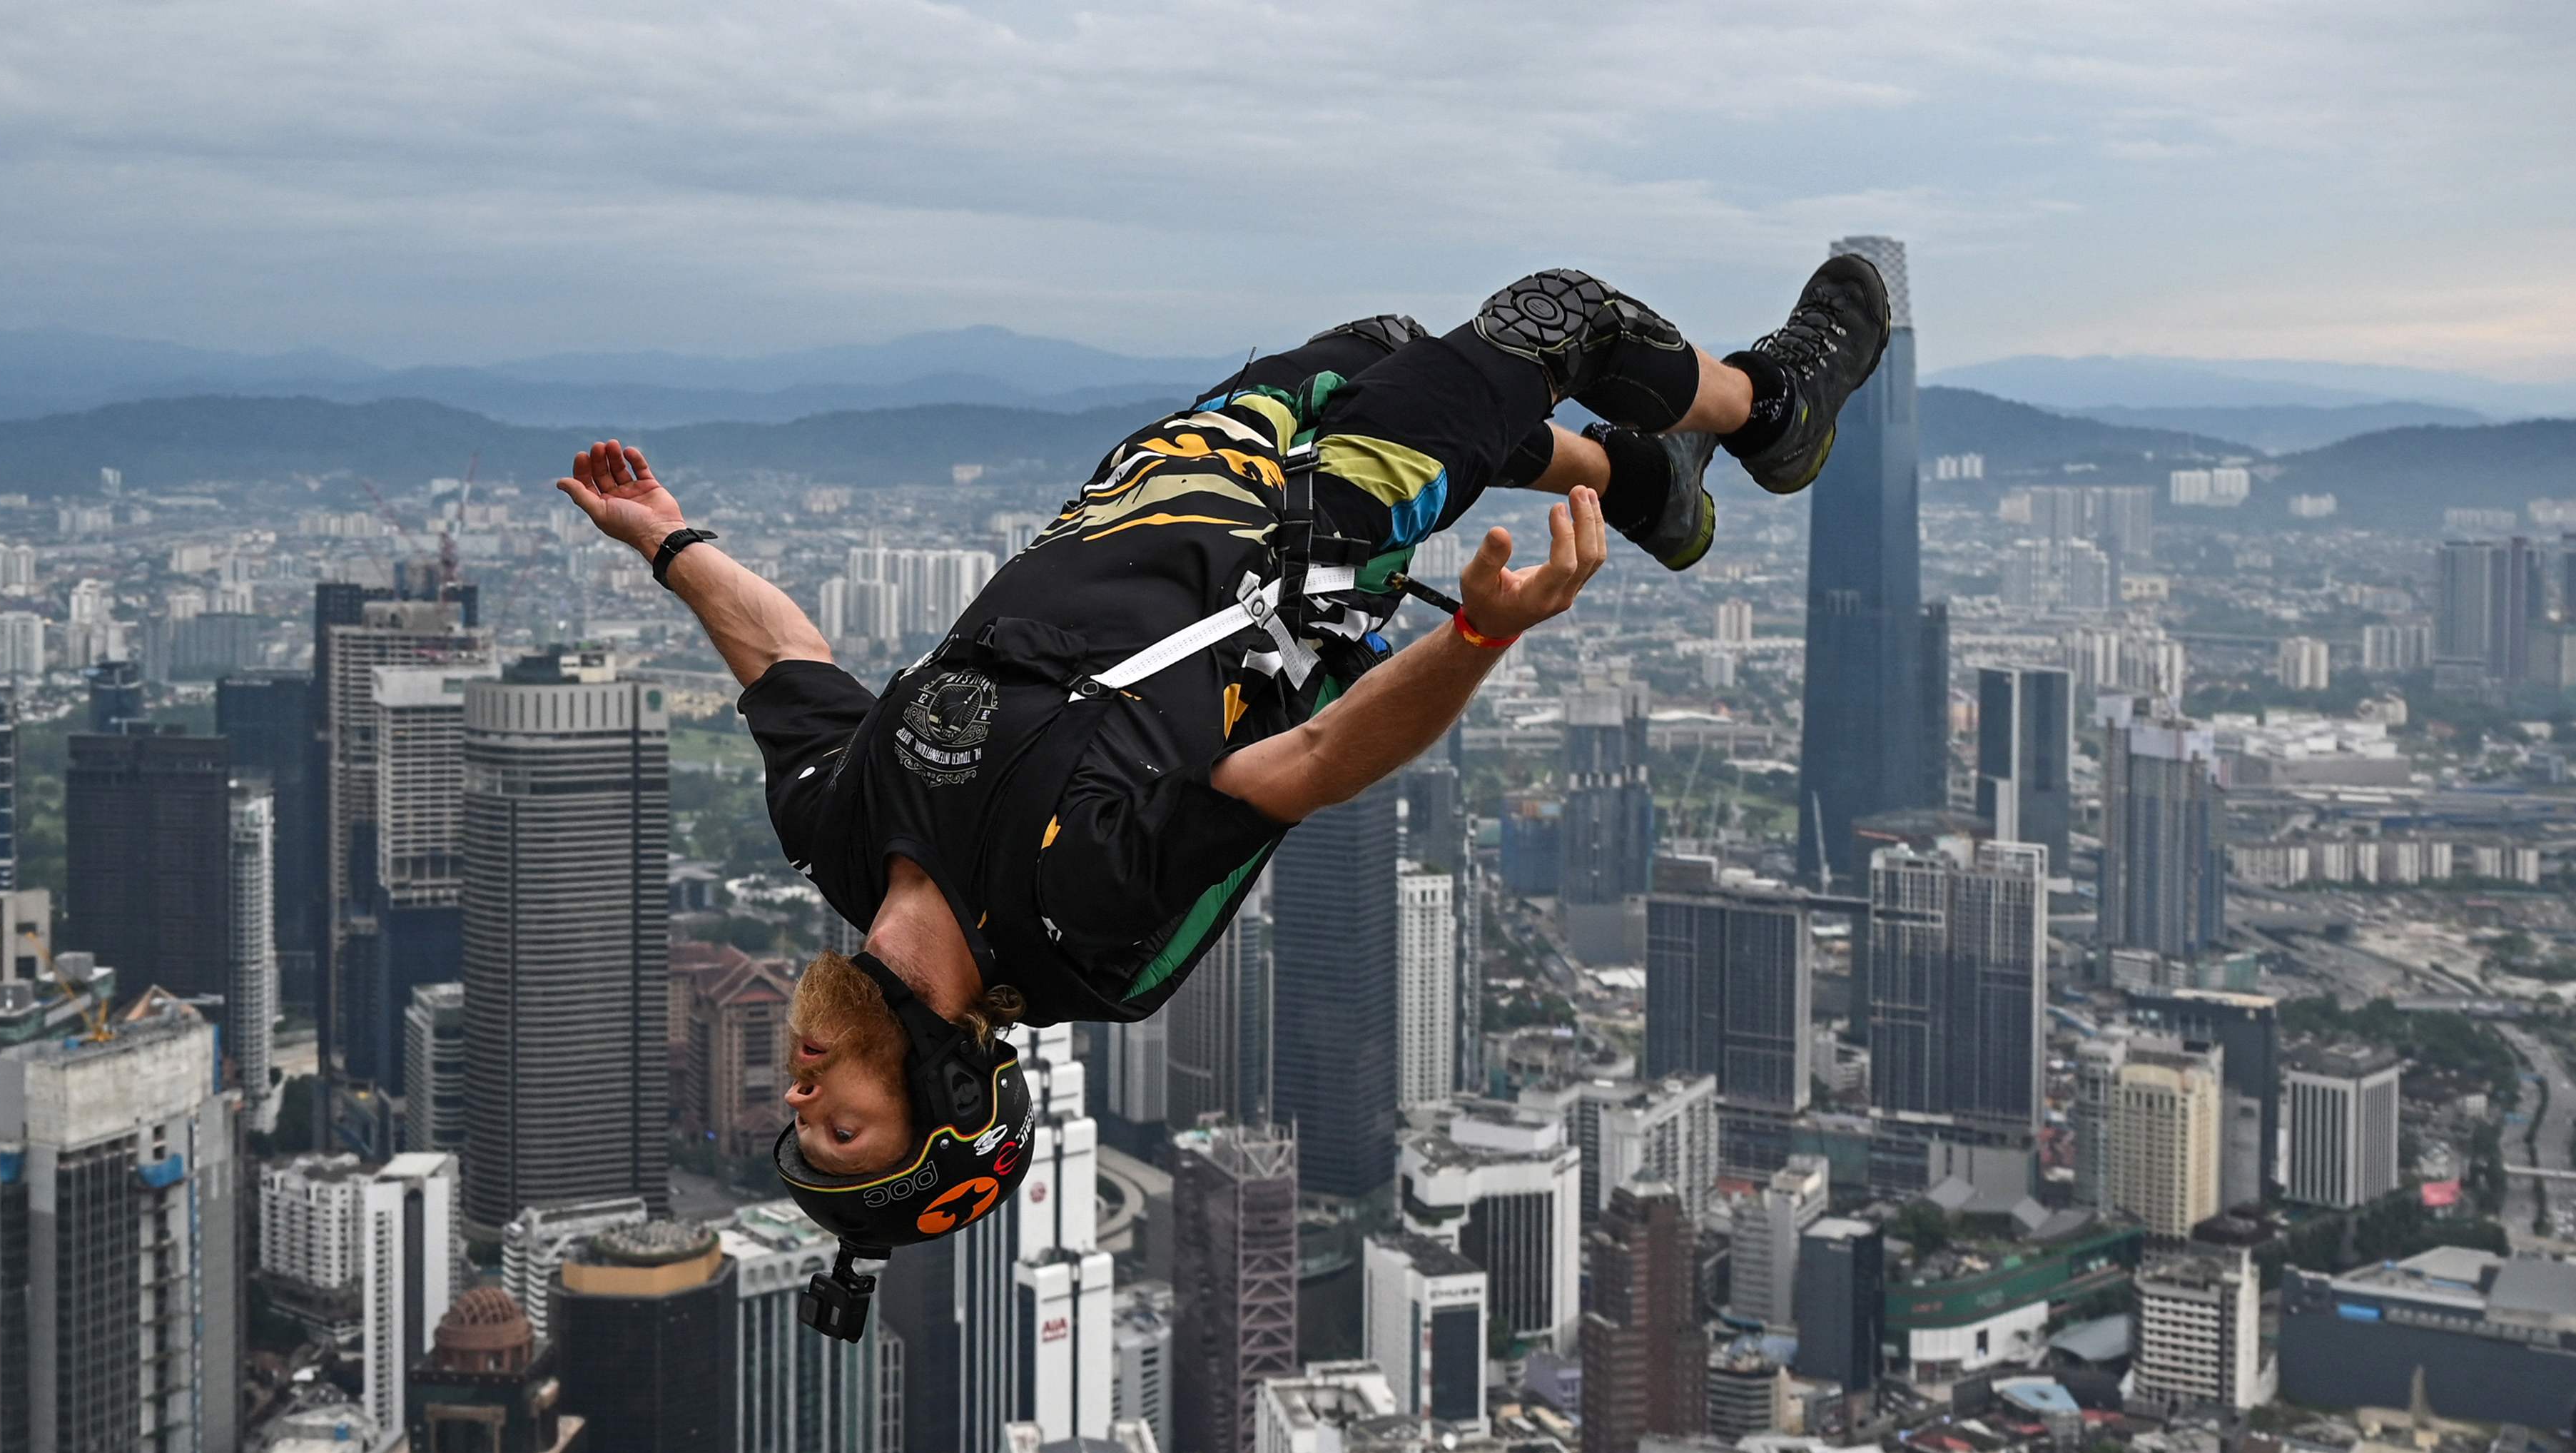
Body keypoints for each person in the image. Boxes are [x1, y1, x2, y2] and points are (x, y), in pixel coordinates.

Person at [556, 258, 1891, 1317]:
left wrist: (667, 539)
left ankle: (1647, 483)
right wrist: (1479, 635)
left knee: (1385, 346)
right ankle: (1777, 413)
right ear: (943, 1083)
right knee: (1561, 320)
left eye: (810, 1123)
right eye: (844, 1124)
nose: (798, 1097)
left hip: (1171, 474)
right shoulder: (1089, 926)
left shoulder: (836, 833)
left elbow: (784, 658)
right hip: (1321, 536)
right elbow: (1303, 767)